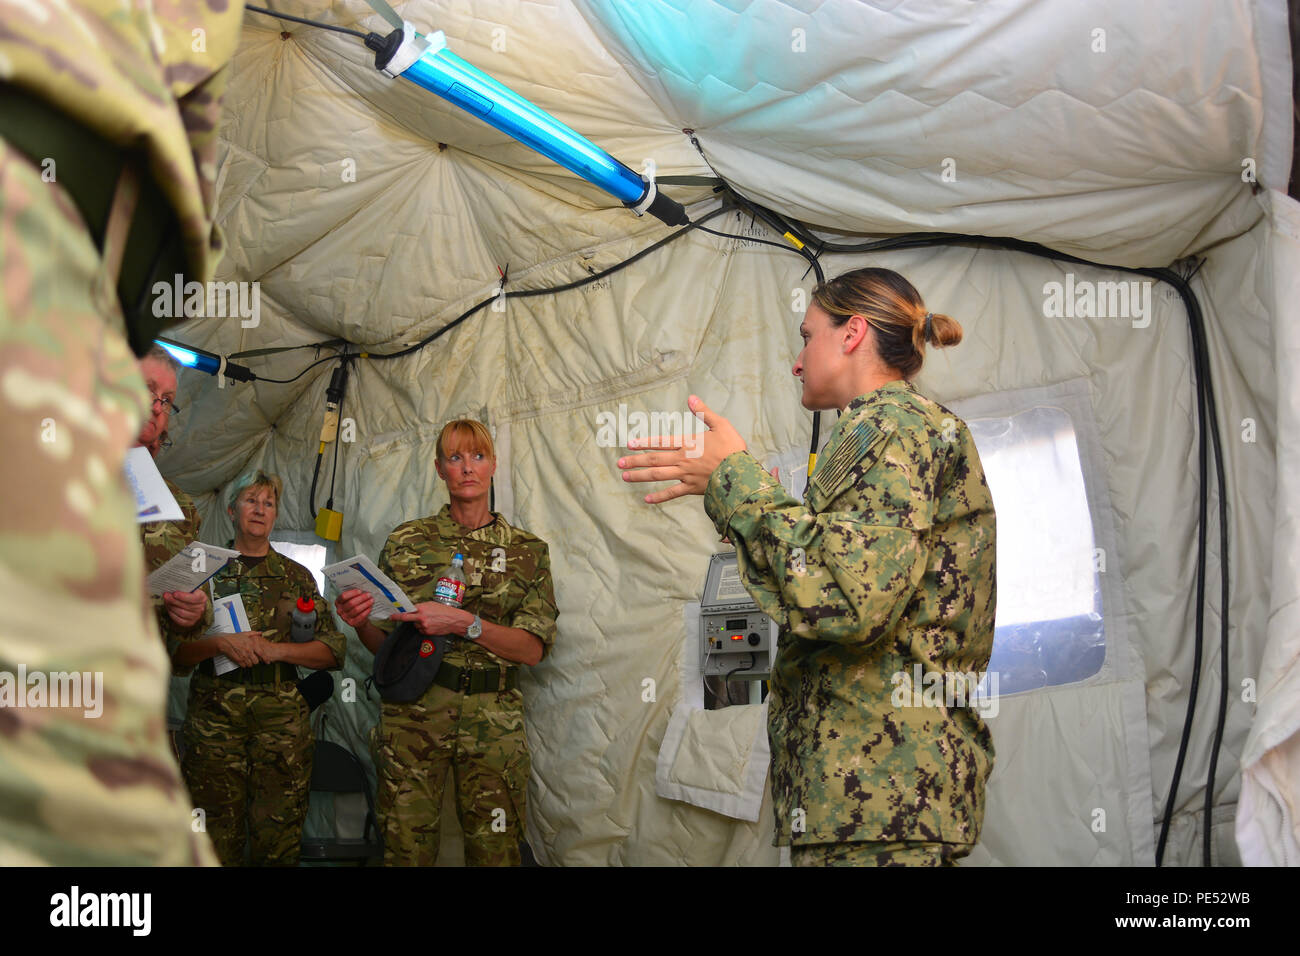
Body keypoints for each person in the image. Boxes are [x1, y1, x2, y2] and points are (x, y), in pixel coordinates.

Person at [619, 267, 998, 866]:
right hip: (874, 793)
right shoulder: (903, 428)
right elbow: (848, 570)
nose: (797, 361)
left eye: (807, 335)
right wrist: (746, 499)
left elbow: (850, 601)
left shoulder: (888, 427)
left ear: (851, 334)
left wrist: (737, 480)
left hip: (876, 794)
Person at [0, 1, 243, 865]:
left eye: (169, 404)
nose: (156, 415)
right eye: (148, 387)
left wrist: (179, 614)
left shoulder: (154, 497)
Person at [337, 420, 558, 866]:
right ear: (439, 469)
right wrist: (360, 623)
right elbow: (387, 652)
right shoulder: (406, 543)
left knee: (496, 852)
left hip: (492, 722)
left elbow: (532, 650)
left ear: (493, 465)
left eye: (477, 456)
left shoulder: (527, 551)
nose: (467, 468)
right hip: (413, 715)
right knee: (405, 851)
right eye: (455, 458)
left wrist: (463, 622)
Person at [172, 470, 347, 866]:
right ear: (232, 510)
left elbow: (332, 652)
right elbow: (175, 656)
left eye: (269, 503)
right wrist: (219, 643)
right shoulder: (203, 570)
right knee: (213, 839)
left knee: (279, 839)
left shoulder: (297, 577)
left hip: (280, 728)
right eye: (251, 500)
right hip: (214, 725)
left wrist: (276, 651)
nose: (260, 509)